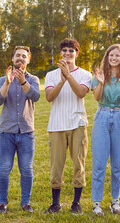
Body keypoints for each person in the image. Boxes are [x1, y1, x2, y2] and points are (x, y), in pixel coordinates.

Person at [44, 38, 92, 215]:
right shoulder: (51, 75)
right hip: (56, 125)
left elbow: (80, 93)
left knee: (78, 164)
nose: (67, 53)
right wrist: (61, 80)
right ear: (60, 53)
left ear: (77, 53)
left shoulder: (86, 74)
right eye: (64, 50)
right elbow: (49, 97)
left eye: (71, 51)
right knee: (56, 166)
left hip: (77, 124)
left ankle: (76, 203)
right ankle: (55, 203)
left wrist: (68, 75)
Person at [0, 45, 40, 214]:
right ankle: (3, 203)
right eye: (17, 56)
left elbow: (35, 96)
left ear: (28, 60)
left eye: (23, 56)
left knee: (27, 169)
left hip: (26, 133)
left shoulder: (33, 79)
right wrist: (7, 82)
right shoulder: (2, 79)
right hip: (7, 132)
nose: (20, 58)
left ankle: (25, 203)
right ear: (13, 59)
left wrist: (22, 81)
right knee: (4, 168)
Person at [91, 44, 120, 216]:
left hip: (119, 117)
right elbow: (96, 97)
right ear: (107, 58)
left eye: (117, 55)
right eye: (111, 55)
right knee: (99, 163)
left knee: (117, 164)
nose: (114, 58)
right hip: (101, 116)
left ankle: (115, 201)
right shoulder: (99, 75)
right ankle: (96, 203)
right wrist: (100, 83)